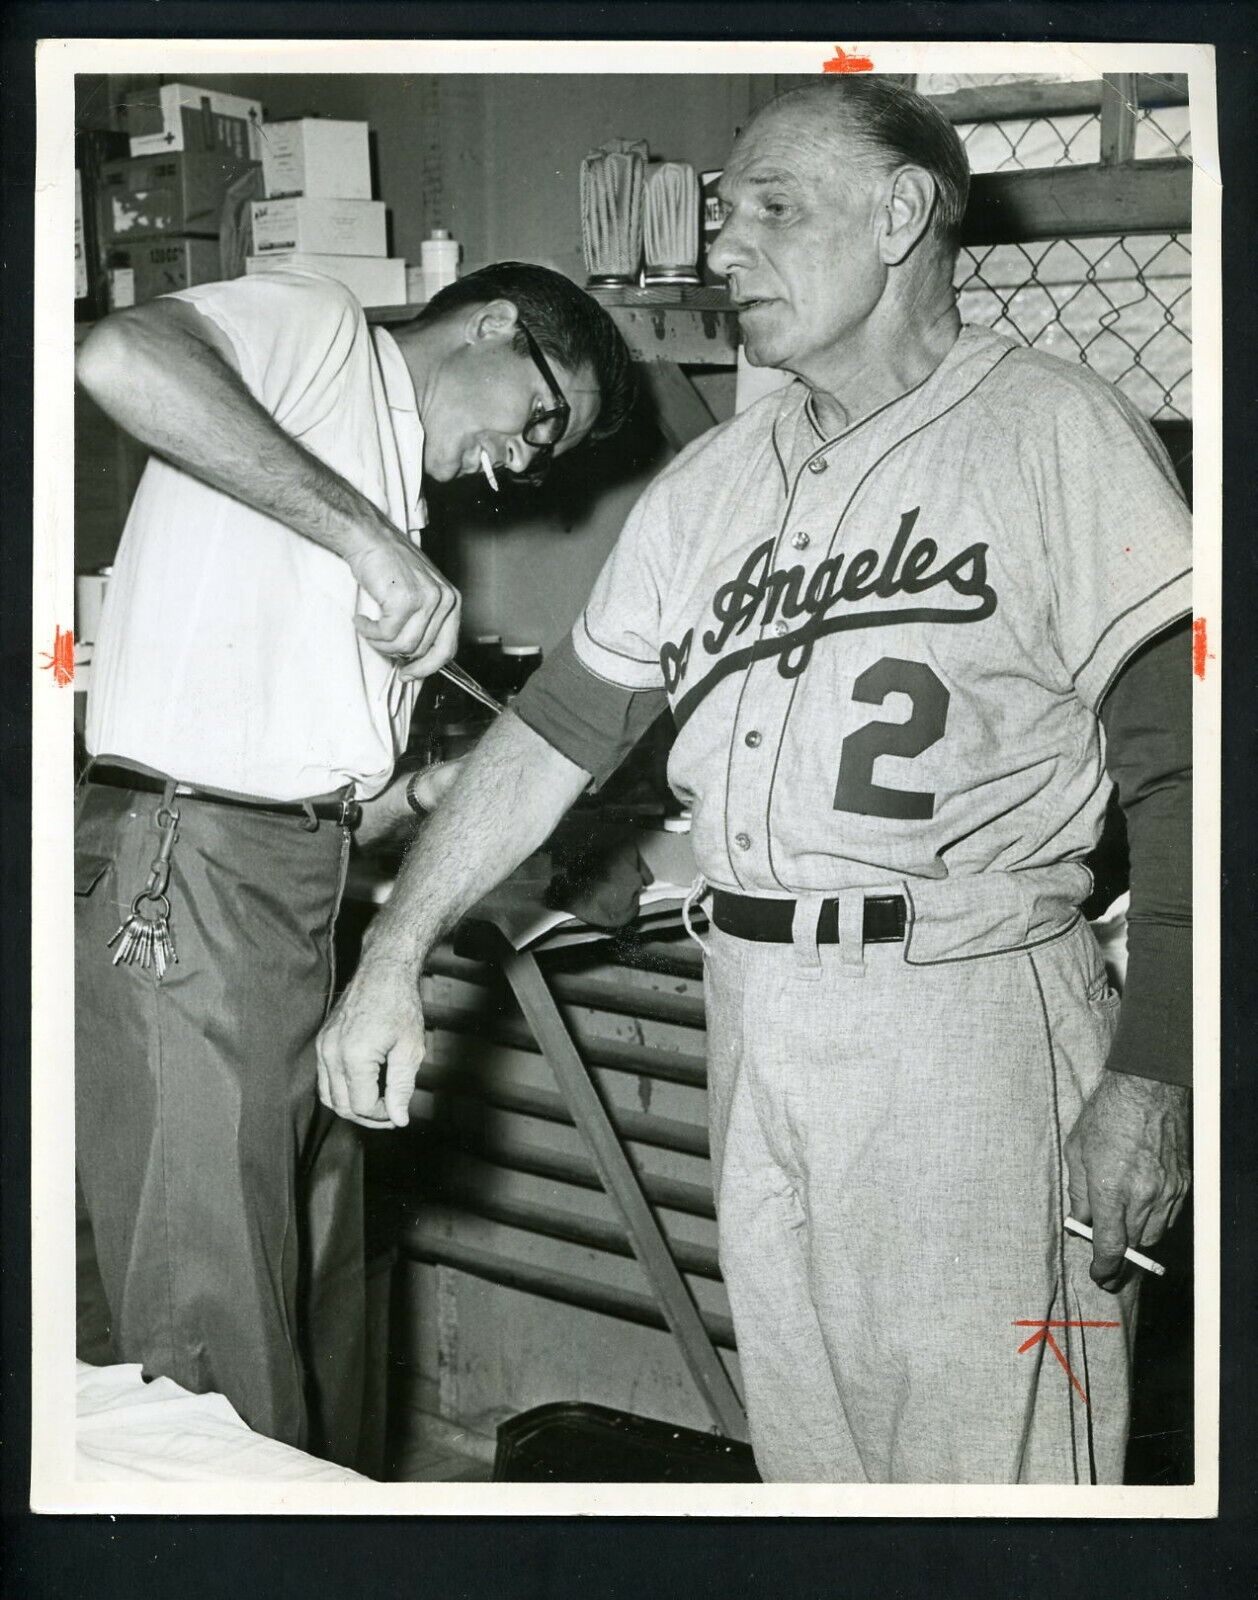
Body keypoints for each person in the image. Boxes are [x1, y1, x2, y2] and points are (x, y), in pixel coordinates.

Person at [318, 79, 1192, 1484]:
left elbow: (1187, 770)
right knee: (813, 1478)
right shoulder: (711, 486)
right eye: (725, 217)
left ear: (903, 216)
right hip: (762, 1018)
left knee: (1001, 1484)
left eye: (773, 210)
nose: (726, 249)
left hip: (966, 1018)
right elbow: (550, 735)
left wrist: (1156, 1073)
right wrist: (397, 952)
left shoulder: (1052, 431)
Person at [73, 258, 636, 1465]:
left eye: (549, 449)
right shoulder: (323, 332)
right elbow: (121, 355)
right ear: (493, 325)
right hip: (195, 878)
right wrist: (370, 540)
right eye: (541, 416)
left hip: (299, 892)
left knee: (321, 1309)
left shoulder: (390, 476)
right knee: (210, 1343)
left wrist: (433, 793)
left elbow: (330, 794)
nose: (526, 463)